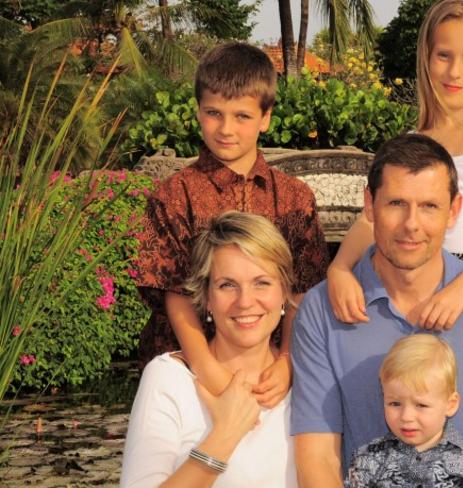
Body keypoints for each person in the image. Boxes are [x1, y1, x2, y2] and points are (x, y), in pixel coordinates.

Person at [291, 133, 463, 488]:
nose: (412, 224)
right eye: (396, 203)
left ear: (453, 211)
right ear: (369, 205)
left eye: (429, 206)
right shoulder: (322, 311)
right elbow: (318, 459)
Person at [327, 0, 463, 330]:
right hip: (413, 282)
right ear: (427, 57)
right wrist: (340, 269)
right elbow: (372, 218)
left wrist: (461, 288)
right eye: (444, 55)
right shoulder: (416, 140)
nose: (454, 72)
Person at [135, 42, 328, 408]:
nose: (226, 129)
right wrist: (208, 370)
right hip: (187, 368)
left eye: (241, 116)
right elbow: (173, 293)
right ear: (198, 112)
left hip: (269, 368)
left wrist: (288, 360)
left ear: (265, 116)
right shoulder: (173, 196)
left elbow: (303, 288)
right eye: (214, 113)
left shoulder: (293, 198)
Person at [121, 212, 299, 487]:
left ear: (284, 291)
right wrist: (225, 434)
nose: (245, 301)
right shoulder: (169, 379)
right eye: (227, 285)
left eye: (261, 283)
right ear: (206, 298)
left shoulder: (309, 377)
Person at [346, 334, 463, 487]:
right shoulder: (367, 460)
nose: (406, 417)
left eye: (421, 405)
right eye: (395, 403)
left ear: (450, 404)